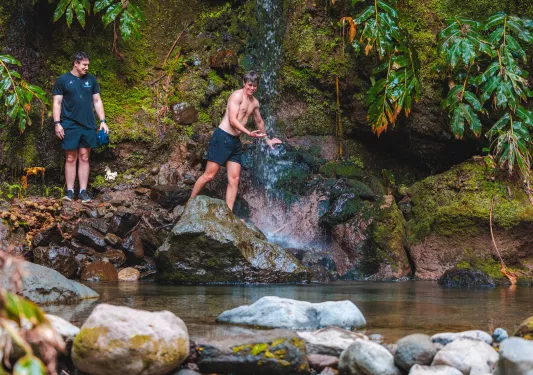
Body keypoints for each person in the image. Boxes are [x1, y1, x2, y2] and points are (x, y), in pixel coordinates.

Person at [189, 71, 282, 211]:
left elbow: (259, 121)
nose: (252, 88)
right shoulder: (236, 96)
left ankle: (228, 213)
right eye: (249, 85)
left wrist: (267, 139)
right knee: (209, 175)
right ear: (244, 83)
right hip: (222, 137)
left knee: (234, 179)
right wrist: (249, 133)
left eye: (255, 86)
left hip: (235, 142)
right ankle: (189, 202)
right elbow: (233, 120)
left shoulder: (254, 103)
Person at [52, 51, 109, 203]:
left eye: (88, 65)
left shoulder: (91, 80)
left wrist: (102, 121)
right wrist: (57, 123)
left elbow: (97, 101)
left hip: (88, 124)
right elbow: (57, 103)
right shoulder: (62, 80)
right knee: (71, 157)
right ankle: (70, 192)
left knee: (84, 156)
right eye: (84, 65)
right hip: (69, 123)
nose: (87, 68)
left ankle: (83, 191)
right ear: (75, 64)